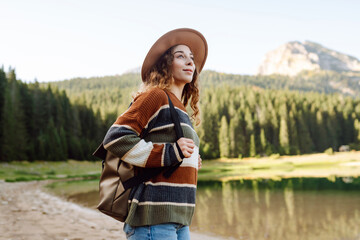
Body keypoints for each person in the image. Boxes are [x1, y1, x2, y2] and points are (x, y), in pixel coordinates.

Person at [102, 28, 208, 240]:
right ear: (165, 65)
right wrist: (171, 152)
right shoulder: (155, 97)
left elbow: (172, 150)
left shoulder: (181, 109)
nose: (189, 62)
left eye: (192, 58)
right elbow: (115, 137)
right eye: (180, 56)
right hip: (153, 219)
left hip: (180, 218)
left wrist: (189, 160)